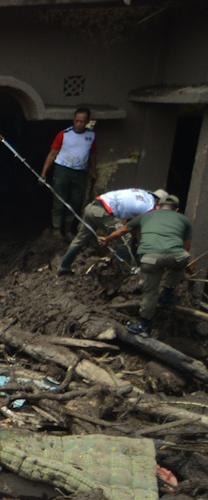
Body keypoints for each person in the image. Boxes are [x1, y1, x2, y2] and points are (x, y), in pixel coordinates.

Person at [99, 193, 189, 337]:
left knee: (151, 291)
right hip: (177, 256)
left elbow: (122, 230)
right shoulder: (184, 220)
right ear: (176, 210)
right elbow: (187, 244)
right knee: (182, 260)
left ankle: (144, 326)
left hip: (149, 258)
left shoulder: (146, 216)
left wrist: (107, 239)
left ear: (157, 207)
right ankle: (167, 293)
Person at [57, 187, 161, 274]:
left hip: (91, 207)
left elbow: (129, 219)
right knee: (125, 237)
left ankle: (64, 267)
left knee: (80, 239)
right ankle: (128, 270)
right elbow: (132, 230)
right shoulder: (150, 207)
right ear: (158, 202)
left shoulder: (141, 194)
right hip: (103, 212)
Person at [42, 107, 97, 238]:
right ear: (73, 120)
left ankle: (67, 231)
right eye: (76, 121)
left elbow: (93, 154)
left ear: (88, 121)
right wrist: (44, 172)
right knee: (59, 200)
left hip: (79, 173)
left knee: (74, 202)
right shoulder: (64, 134)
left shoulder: (91, 136)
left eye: (82, 121)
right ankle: (56, 229)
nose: (78, 124)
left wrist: (93, 171)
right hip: (63, 170)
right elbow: (52, 154)